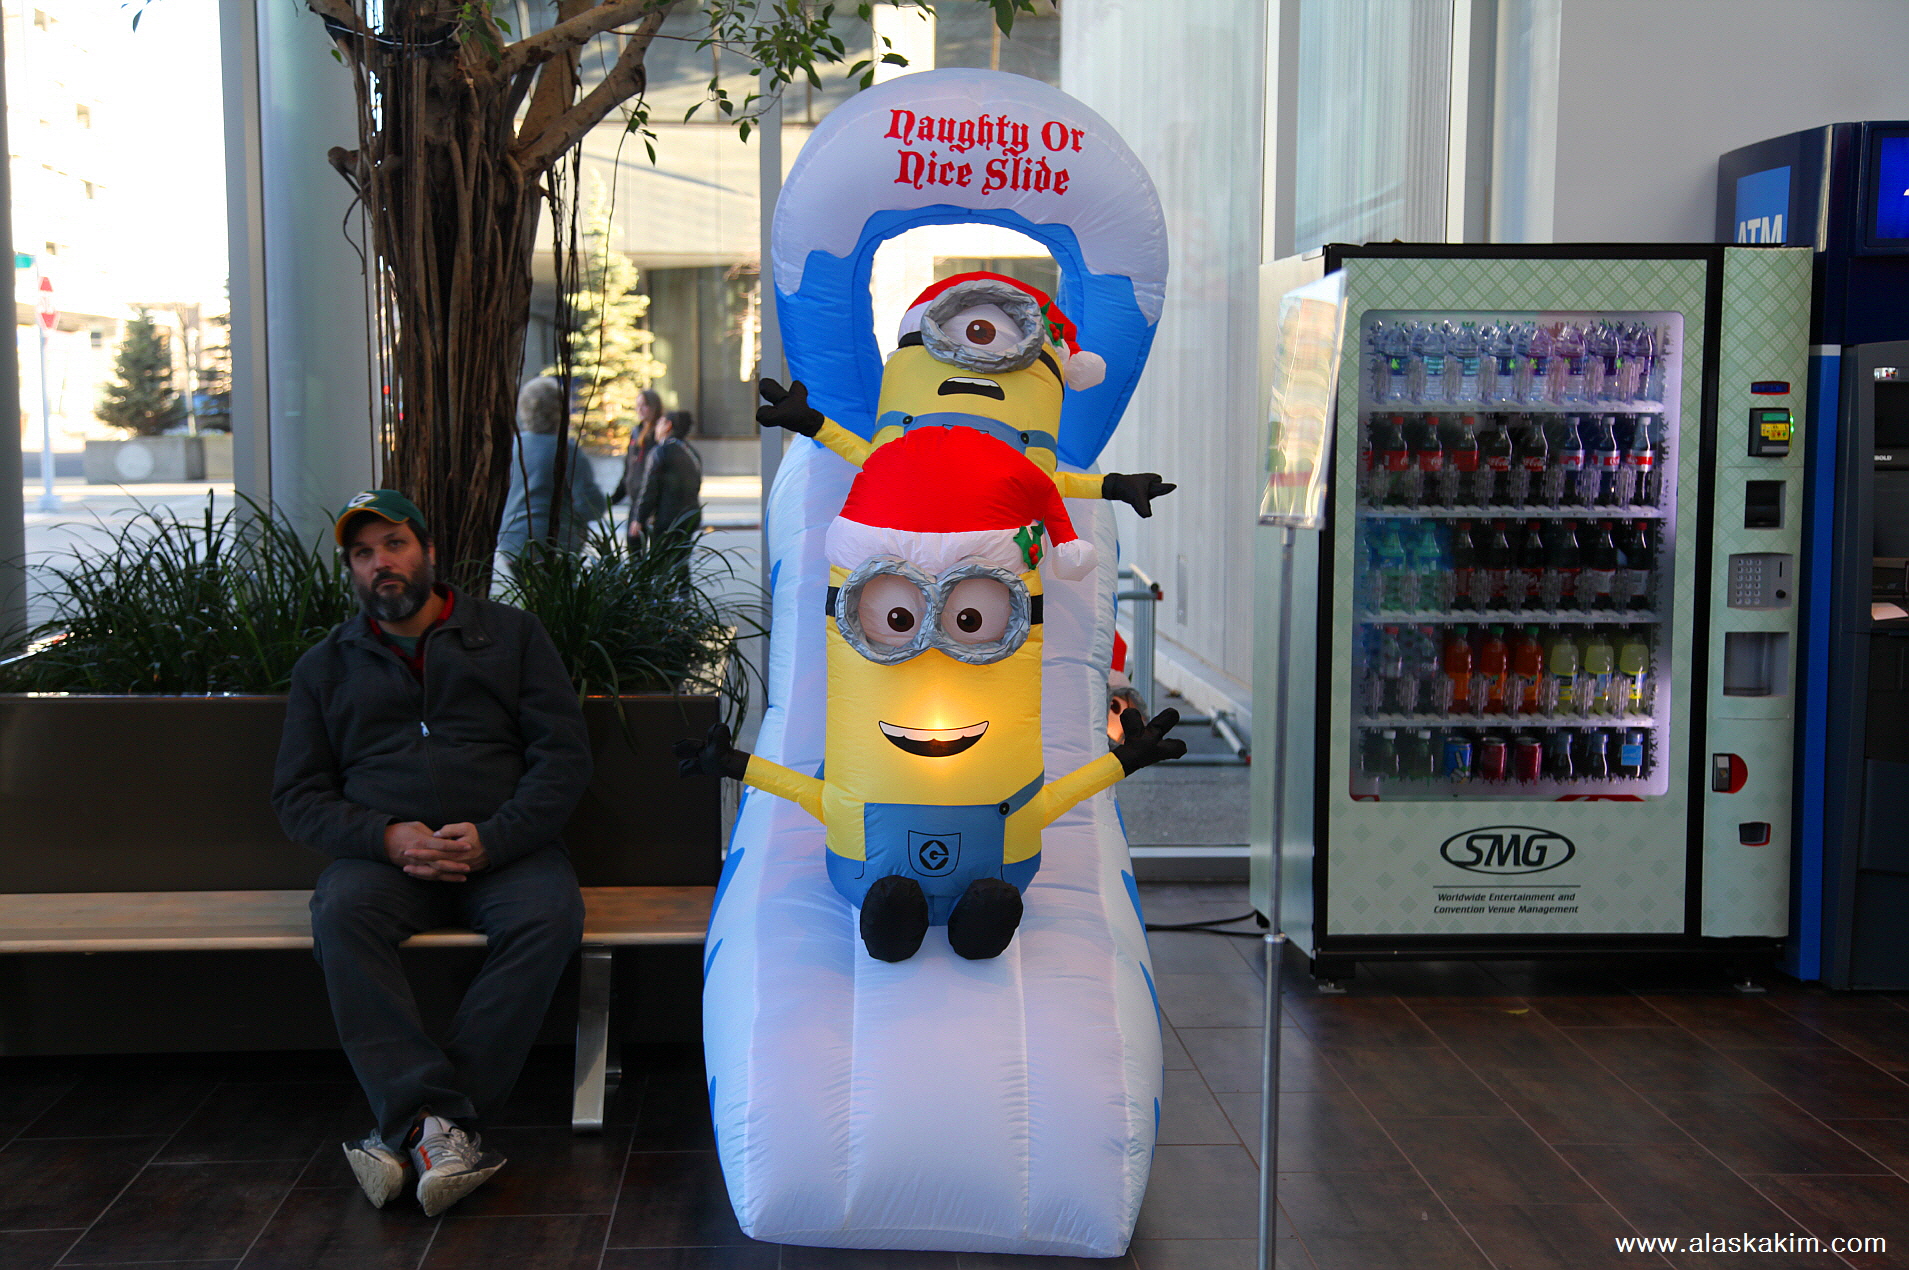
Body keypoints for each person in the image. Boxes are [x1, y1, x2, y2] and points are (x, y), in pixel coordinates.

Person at [272, 489, 592, 1217]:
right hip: (386, 862)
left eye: (394, 544)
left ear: (428, 552)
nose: (379, 563)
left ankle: (418, 1124)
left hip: (506, 849)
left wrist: (495, 837)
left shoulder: (511, 637)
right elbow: (297, 795)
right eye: (362, 553)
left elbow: (563, 760)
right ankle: (441, 1130)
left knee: (549, 915)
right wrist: (385, 836)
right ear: (352, 570)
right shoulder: (325, 667)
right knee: (340, 913)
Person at [496, 376, 607, 570]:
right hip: (555, 544)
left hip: (513, 542)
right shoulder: (567, 451)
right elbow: (591, 505)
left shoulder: (512, 447)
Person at [635, 408, 704, 546]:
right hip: (690, 516)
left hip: (667, 519)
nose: (656, 428)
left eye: (659, 423)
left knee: (664, 556)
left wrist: (639, 519)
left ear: (668, 425)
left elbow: (650, 489)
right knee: (681, 556)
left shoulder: (661, 451)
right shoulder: (691, 452)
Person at [609, 388, 664, 547]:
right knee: (633, 545)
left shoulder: (659, 433)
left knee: (654, 548)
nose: (639, 409)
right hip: (636, 499)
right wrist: (614, 498)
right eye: (637, 405)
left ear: (654, 407)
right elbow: (629, 470)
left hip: (653, 501)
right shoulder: (636, 431)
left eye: (644, 405)